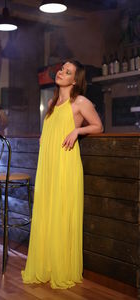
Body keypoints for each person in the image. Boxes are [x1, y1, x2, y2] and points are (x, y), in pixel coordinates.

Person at [21, 60, 103, 289]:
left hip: (66, 164)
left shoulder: (81, 102)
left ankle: (61, 267)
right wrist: (43, 137)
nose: (61, 73)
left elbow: (98, 126)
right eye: (61, 69)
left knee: (61, 212)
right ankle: (46, 264)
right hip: (47, 165)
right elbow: (49, 130)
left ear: (75, 80)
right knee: (47, 211)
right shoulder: (51, 102)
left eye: (68, 72)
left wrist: (77, 130)